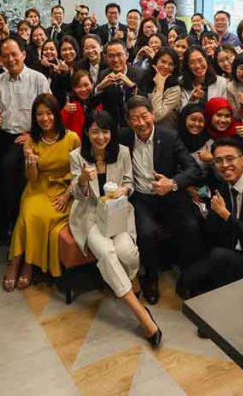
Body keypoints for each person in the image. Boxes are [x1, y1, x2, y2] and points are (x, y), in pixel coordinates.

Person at [69, 110, 161, 347]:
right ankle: (141, 314)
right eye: (95, 132)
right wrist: (82, 180)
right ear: (87, 132)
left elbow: (129, 182)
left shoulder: (122, 152)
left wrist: (124, 190)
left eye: (105, 131)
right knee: (107, 253)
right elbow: (78, 195)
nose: (100, 137)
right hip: (90, 215)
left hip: (117, 212)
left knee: (126, 252)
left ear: (112, 133)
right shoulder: (77, 156)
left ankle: (130, 277)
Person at [119, 96, 203, 304]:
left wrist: (172, 183)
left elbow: (194, 169)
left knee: (191, 226)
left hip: (169, 193)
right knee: (146, 233)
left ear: (152, 115)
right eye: (134, 118)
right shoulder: (123, 137)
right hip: (141, 197)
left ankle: (187, 278)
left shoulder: (169, 136)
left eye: (144, 116)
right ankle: (151, 279)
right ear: (128, 121)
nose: (141, 123)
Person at [0, 38, 52, 262]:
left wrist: (33, 134)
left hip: (29, 137)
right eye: (5, 55)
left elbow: (49, 111)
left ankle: (16, 233)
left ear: (23, 54)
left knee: (9, 170)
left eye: (14, 54)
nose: (10, 59)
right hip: (1, 135)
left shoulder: (38, 79)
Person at [179, 138, 243, 298]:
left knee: (218, 258)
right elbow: (212, 230)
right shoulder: (223, 187)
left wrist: (225, 215)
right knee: (185, 282)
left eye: (230, 159)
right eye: (218, 161)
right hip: (232, 249)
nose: (224, 165)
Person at [4, 94, 80, 290]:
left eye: (49, 113)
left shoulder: (72, 138)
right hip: (38, 186)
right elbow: (31, 177)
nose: (45, 118)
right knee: (29, 213)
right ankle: (15, 261)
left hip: (65, 188)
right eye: (39, 114)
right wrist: (31, 163)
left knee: (47, 216)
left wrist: (67, 195)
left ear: (56, 114)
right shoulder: (31, 141)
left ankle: (29, 264)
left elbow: (79, 173)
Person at [96, 40, 147, 123]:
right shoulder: (103, 75)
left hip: (135, 122)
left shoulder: (140, 74)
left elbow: (146, 102)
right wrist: (99, 88)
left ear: (127, 55)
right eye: (111, 56)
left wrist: (132, 86)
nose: (115, 60)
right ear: (106, 58)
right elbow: (94, 104)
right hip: (112, 123)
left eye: (119, 55)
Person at [140, 47, 181, 130]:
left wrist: (160, 87)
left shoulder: (175, 89)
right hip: (143, 129)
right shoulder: (146, 78)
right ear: (156, 61)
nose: (166, 66)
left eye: (171, 64)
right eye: (163, 61)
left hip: (164, 132)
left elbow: (157, 116)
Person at [60, 69, 99, 139]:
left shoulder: (99, 101)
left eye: (86, 85)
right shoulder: (70, 105)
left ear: (92, 84)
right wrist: (65, 112)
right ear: (73, 88)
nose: (83, 89)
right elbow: (60, 127)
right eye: (79, 86)